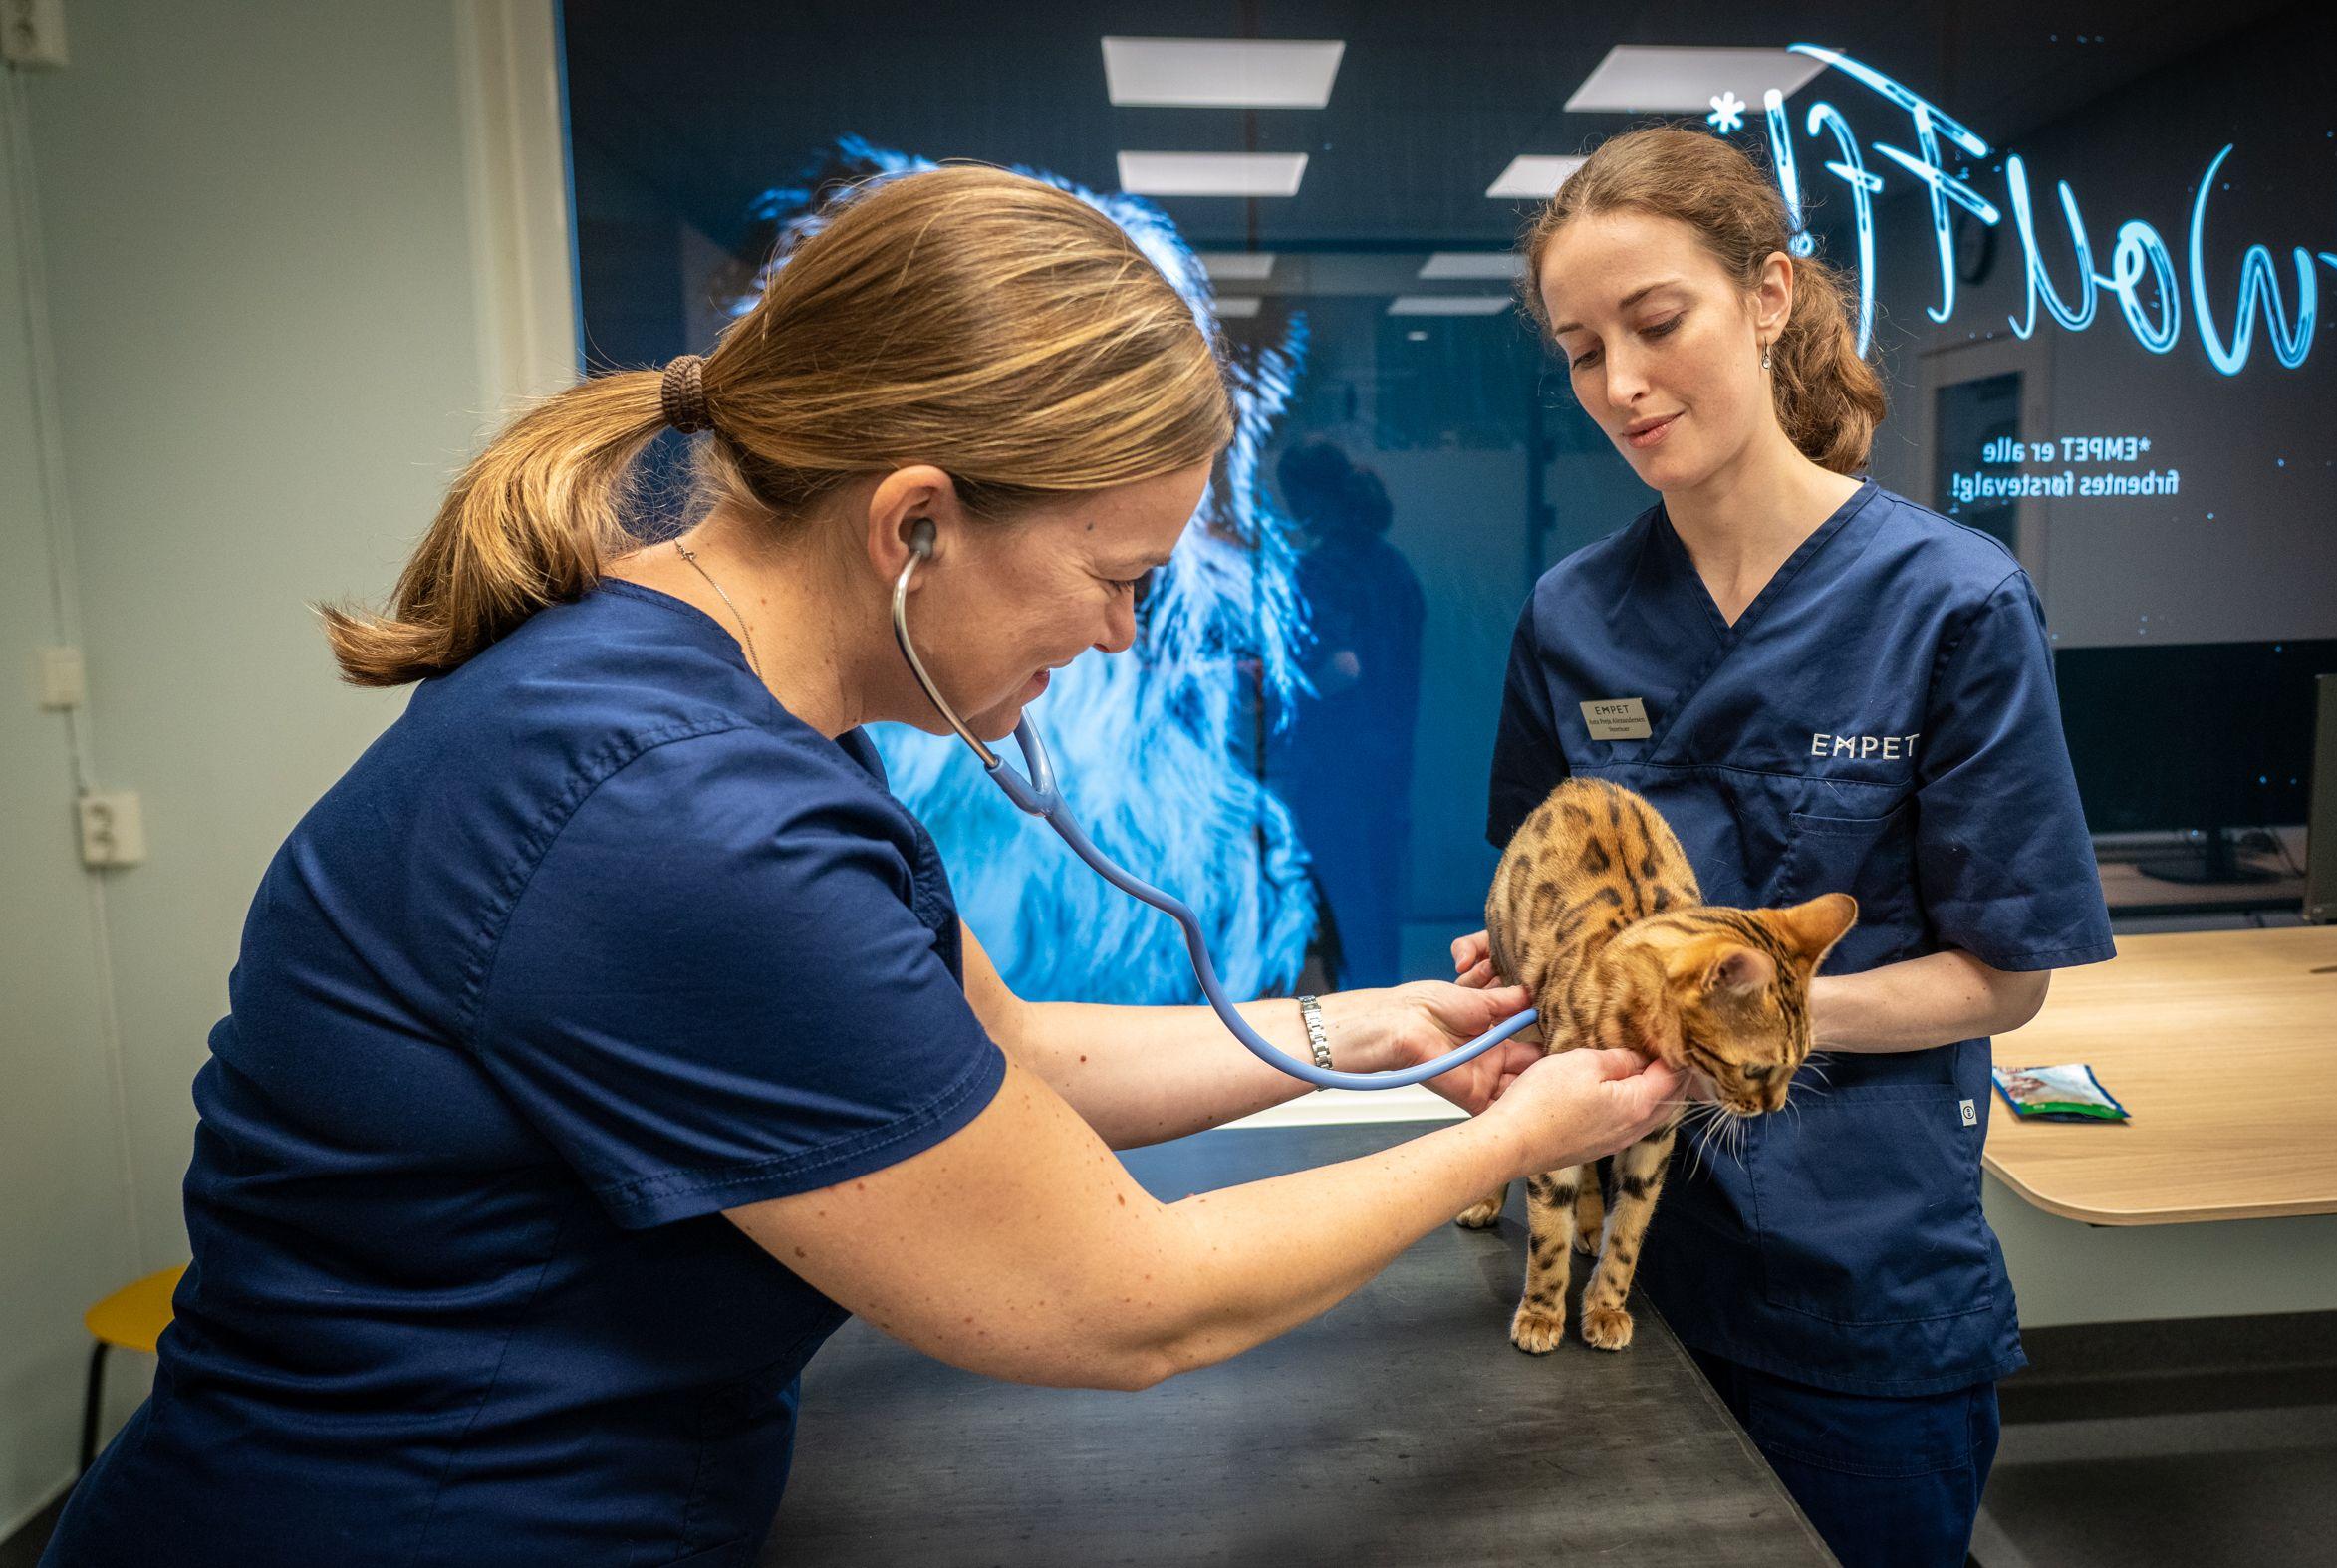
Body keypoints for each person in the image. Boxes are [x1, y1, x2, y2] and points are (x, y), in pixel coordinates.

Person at [40, 166, 1688, 1568]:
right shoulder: (675, 814)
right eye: (1116, 575)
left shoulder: (725, 710)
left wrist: (1381, 1028)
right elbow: (1122, 1296)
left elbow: (1010, 1055)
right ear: (914, 527)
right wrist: (1530, 1131)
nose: (1121, 633)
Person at [1449, 127, 2116, 1568]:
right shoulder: (1572, 616)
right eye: (1579, 349)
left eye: (1655, 322)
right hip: (1620, 1250)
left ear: (1769, 297)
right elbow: (1538, 887)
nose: (1617, 385)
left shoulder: (1953, 604)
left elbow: (2006, 979)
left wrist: (1710, 1019)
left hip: (1858, 1277)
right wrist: (1529, 977)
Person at [1267, 439, 1427, 989]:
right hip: (1387, 759)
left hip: (1334, 764)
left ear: (1307, 496)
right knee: (1377, 896)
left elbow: (1345, 666)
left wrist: (1277, 684)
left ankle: (1358, 1024)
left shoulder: (1321, 569)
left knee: (1339, 892)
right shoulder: (1394, 567)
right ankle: (1385, 1010)